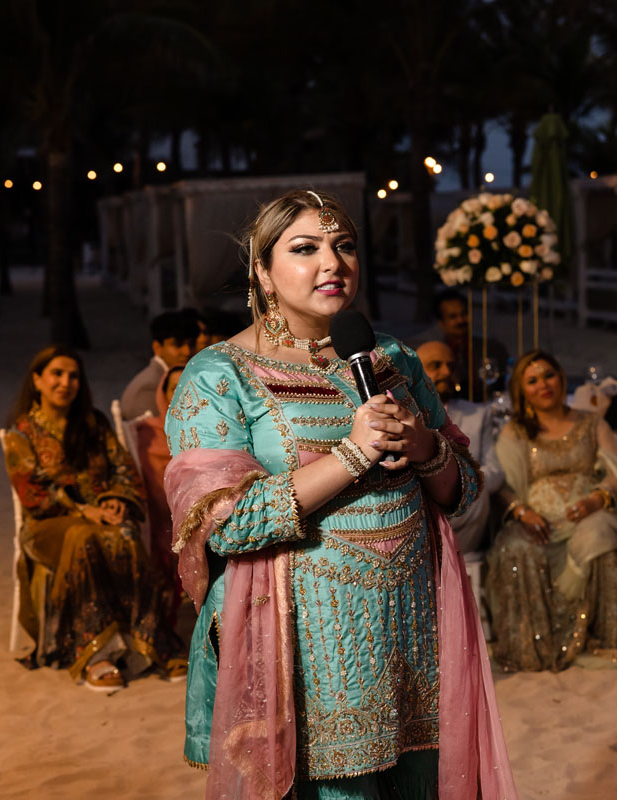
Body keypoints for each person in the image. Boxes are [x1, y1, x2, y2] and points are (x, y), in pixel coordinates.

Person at [164, 189, 516, 799]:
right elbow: (226, 524)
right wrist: (351, 455)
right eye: (305, 248)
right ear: (263, 272)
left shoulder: (392, 357)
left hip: (415, 625)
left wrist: (425, 447)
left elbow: (463, 493)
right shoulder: (220, 375)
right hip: (308, 641)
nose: (333, 263)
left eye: (344, 246)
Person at [3, 345, 184, 690]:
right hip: (47, 526)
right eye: (56, 374)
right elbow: (33, 495)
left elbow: (123, 470)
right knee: (84, 537)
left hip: (100, 518)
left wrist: (116, 499)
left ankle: (150, 644)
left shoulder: (94, 424)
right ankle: (95, 653)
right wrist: (84, 510)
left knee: (124, 533)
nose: (65, 383)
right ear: (37, 380)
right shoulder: (22, 433)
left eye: (73, 376)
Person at [486, 350, 617, 672]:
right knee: (514, 546)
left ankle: (613, 639)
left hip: (587, 517)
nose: (543, 385)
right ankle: (536, 648)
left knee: (600, 534)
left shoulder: (592, 424)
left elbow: (616, 474)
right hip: (538, 522)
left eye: (548, 375)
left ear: (562, 377)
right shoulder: (516, 431)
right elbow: (504, 486)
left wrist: (597, 500)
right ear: (521, 391)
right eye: (532, 381)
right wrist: (522, 513)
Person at [415, 340, 504, 553]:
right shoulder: (403, 414)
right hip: (416, 517)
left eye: (451, 366)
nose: (446, 372)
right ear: (414, 371)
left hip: (465, 516)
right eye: (436, 365)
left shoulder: (477, 414)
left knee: (477, 493)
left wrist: (458, 485)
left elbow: (495, 472)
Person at [132, 364, 185, 618]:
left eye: (190, 386)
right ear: (162, 395)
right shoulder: (150, 435)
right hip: (166, 525)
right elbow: (156, 496)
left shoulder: (217, 433)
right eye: (175, 388)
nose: (183, 394)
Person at [423, 289, 510, 399]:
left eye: (464, 314)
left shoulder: (492, 348)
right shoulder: (436, 355)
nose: (460, 320)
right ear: (441, 322)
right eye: (453, 316)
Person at [120, 310, 199, 419]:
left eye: (192, 344)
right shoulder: (149, 389)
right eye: (178, 344)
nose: (187, 351)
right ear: (157, 347)